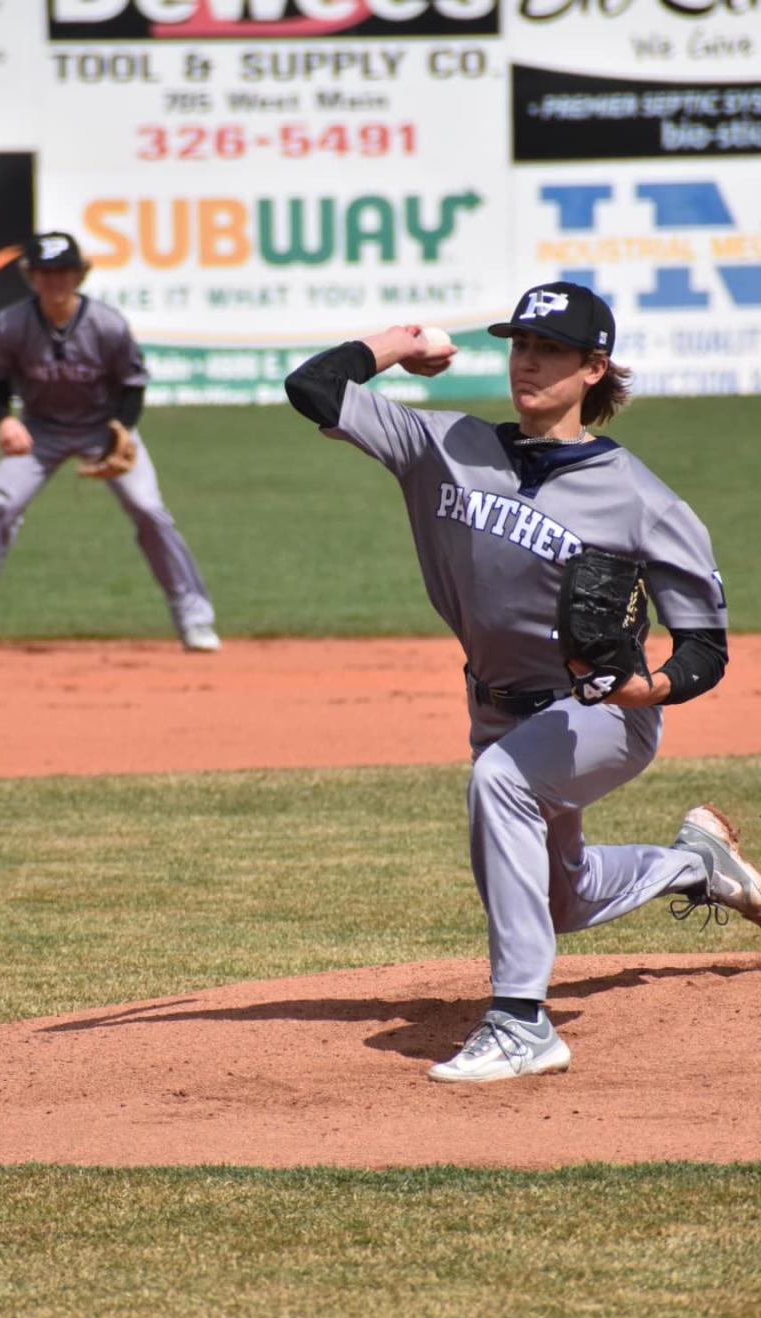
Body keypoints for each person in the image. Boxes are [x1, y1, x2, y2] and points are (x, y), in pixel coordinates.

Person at [285, 280, 761, 1084]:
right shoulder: (442, 445)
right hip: (496, 705)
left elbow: (705, 646)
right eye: (520, 346)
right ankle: (696, 867)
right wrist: (403, 344)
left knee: (499, 785)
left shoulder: (641, 498)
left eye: (551, 351)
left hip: (597, 716)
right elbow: (314, 388)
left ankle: (519, 1024)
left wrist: (648, 691)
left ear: (593, 370)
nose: (529, 363)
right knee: (562, 901)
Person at [0, 231, 220, 655]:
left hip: (104, 428)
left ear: (80, 274)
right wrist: (3, 420)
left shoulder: (107, 324)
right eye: (46, 272)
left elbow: (132, 384)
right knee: (1, 507)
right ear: (31, 276)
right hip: (39, 432)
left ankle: (195, 620)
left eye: (64, 271)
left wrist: (122, 431)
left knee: (150, 511)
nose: (55, 280)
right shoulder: (13, 324)